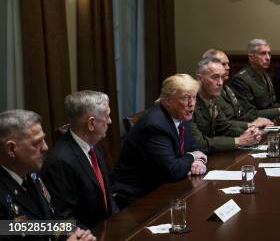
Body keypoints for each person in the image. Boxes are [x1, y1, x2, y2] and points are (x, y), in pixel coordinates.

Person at [111, 74, 207, 208]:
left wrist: (199, 161)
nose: (192, 104)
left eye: (194, 97)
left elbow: (197, 147)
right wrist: (193, 156)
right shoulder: (155, 125)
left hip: (163, 188)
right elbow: (172, 171)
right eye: (185, 98)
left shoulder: (181, 116)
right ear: (167, 101)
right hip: (137, 198)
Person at [0, 110, 96, 241]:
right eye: (36, 143)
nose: (45, 147)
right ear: (11, 149)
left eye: (43, 139)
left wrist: (77, 234)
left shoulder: (32, 174)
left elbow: (50, 222)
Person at [42, 91, 117, 229]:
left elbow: (107, 195)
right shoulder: (60, 162)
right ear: (91, 123)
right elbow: (65, 219)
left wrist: (118, 222)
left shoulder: (93, 145)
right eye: (107, 116)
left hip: (108, 228)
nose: (110, 121)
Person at [190, 56, 261, 153]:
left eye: (222, 77)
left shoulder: (211, 98)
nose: (220, 83)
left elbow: (225, 128)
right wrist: (239, 141)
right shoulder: (190, 102)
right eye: (215, 77)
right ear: (199, 78)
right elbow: (199, 144)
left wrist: (250, 134)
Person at [202, 49, 273, 129]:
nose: (228, 67)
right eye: (223, 64)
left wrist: (256, 121)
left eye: (228, 64)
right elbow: (222, 124)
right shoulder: (211, 91)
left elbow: (240, 113)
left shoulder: (226, 87)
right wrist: (251, 125)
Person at [231, 39, 280, 119]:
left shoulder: (264, 74)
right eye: (263, 54)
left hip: (269, 121)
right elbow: (248, 114)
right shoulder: (241, 79)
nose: (268, 58)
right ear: (251, 57)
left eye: (269, 54)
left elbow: (270, 105)